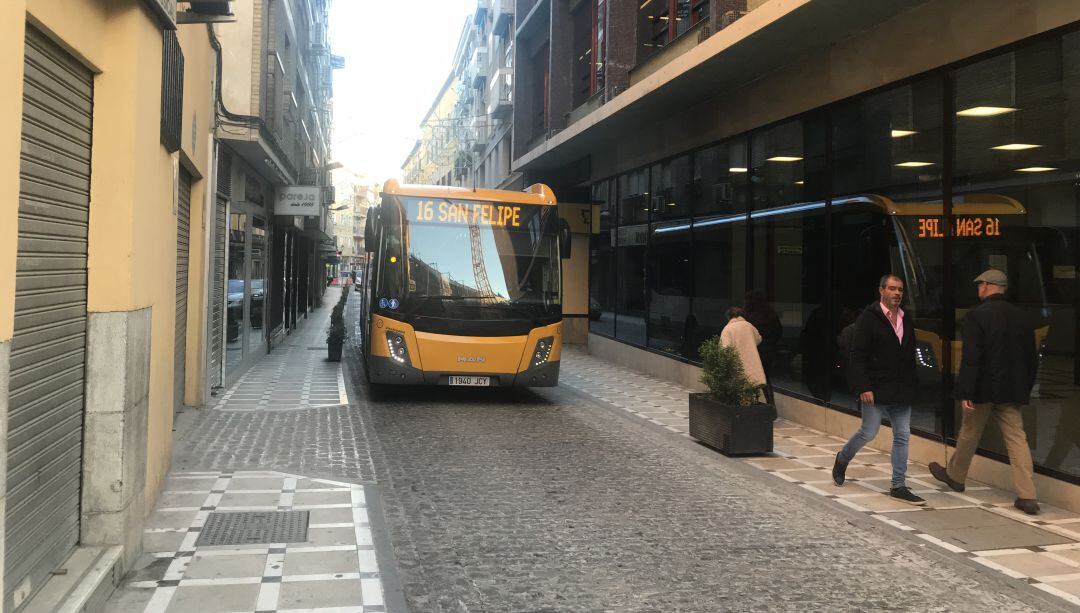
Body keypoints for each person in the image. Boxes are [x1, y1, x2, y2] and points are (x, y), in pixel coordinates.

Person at [930, 269, 1040, 515]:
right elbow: (1031, 358)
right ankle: (1028, 495)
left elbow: (972, 358)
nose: (978, 288)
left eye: (980, 285)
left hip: (983, 389)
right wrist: (1025, 387)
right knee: (1017, 439)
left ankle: (956, 476)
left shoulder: (977, 316)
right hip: (1010, 390)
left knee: (970, 432)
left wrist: (966, 391)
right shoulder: (1022, 317)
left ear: (988, 286)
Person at [832, 274, 924, 505]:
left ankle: (898, 484)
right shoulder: (868, 319)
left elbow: (909, 356)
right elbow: (858, 355)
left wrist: (913, 385)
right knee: (868, 432)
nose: (897, 293)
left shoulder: (906, 319)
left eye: (900, 289)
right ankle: (842, 459)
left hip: (901, 391)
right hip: (876, 389)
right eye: (892, 289)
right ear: (881, 290)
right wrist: (863, 386)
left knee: (902, 435)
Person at [720, 306, 767, 401]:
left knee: (739, 393)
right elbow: (759, 339)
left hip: (736, 364)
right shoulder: (750, 326)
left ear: (729, 316)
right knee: (752, 386)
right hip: (752, 361)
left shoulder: (728, 328)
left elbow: (725, 349)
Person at [744, 291, 782, 403]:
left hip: (757, 350)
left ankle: (752, 404)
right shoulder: (771, 314)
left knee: (751, 378)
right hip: (769, 350)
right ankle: (771, 405)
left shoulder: (751, 317)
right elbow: (778, 332)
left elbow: (749, 335)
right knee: (765, 378)